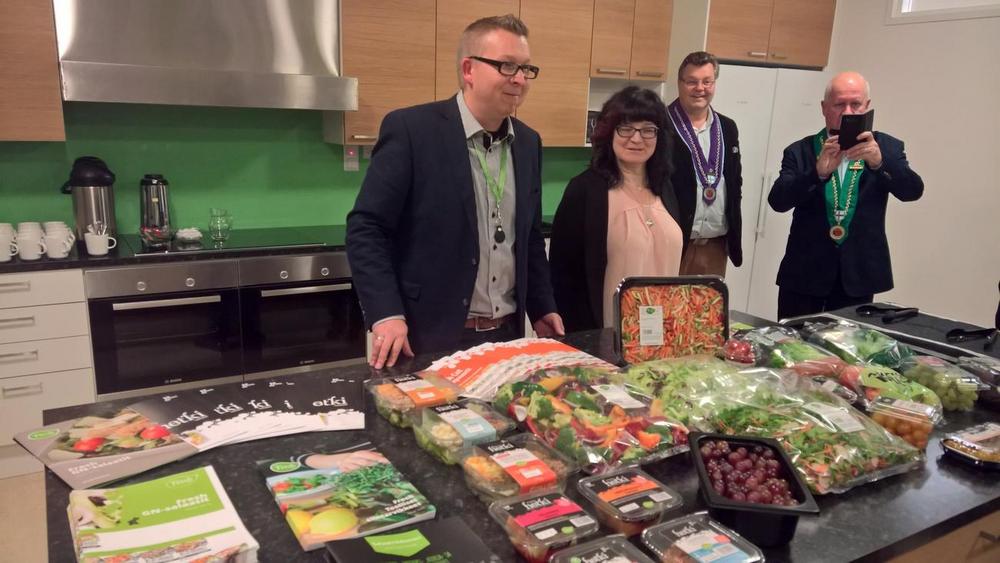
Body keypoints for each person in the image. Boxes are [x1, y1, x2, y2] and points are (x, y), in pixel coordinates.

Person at [345, 15, 563, 369]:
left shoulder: (527, 142)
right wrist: (386, 313)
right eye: (507, 66)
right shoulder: (412, 130)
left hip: (508, 335)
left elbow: (529, 238)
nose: (520, 79)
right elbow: (366, 229)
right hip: (428, 337)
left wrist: (542, 307)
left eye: (526, 68)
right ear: (468, 69)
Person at [768, 71, 924, 319]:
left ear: (867, 106)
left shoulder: (886, 147)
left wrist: (879, 164)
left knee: (849, 343)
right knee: (792, 340)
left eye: (855, 104)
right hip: (804, 274)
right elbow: (778, 201)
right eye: (839, 104)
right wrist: (816, 173)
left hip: (858, 275)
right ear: (824, 108)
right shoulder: (801, 150)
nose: (848, 113)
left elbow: (912, 191)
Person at [549, 87, 684, 332]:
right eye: (626, 128)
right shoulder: (585, 190)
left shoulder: (665, 187)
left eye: (648, 130)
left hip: (663, 333)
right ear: (609, 132)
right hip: (604, 336)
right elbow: (562, 276)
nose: (637, 138)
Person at [666, 51, 743, 277]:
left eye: (707, 81)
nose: (700, 88)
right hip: (674, 245)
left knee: (709, 301)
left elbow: (735, 182)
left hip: (715, 247)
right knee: (669, 301)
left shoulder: (727, 127)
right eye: (692, 81)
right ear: (679, 83)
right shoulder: (661, 125)